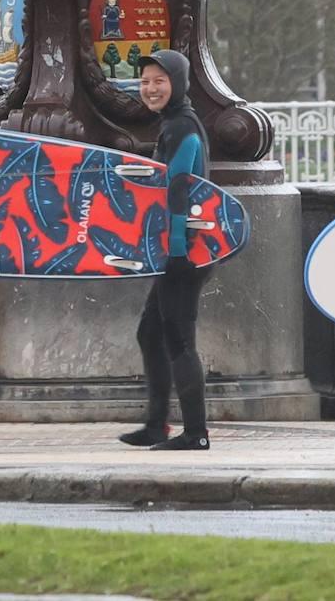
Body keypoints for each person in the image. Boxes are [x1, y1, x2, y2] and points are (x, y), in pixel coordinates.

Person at [118, 49, 213, 451]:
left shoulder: (182, 126)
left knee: (178, 339)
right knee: (150, 332)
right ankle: (158, 425)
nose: (151, 88)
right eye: (145, 82)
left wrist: (175, 249)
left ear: (177, 82)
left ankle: (196, 434)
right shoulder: (172, 122)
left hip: (184, 250)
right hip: (176, 247)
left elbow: (178, 186)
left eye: (160, 80)